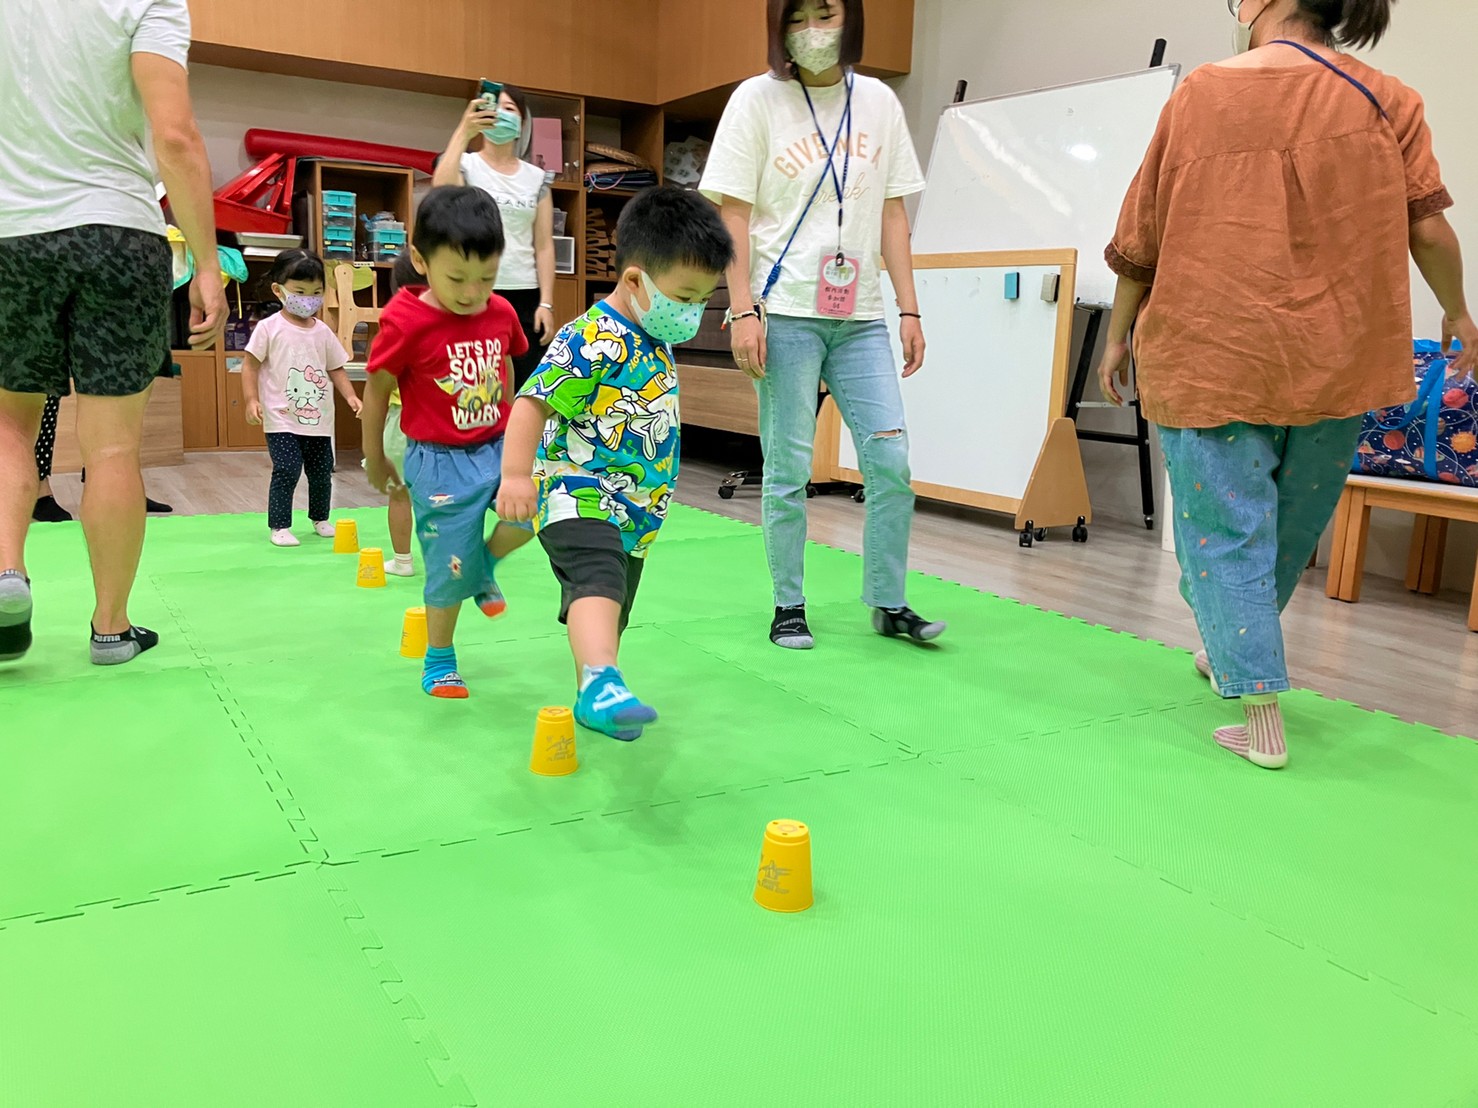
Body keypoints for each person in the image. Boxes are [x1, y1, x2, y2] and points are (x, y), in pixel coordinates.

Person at [1097, 0, 1477, 770]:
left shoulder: (1202, 92)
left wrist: (1117, 334)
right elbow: (1428, 224)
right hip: (1337, 361)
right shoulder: (1388, 98)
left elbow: (1143, 234)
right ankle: (1227, 651)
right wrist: (1459, 311)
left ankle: (1260, 713)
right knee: (1288, 528)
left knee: (1224, 531)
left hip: (1215, 351)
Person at [700, 0, 946, 651]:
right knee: (787, 466)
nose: (815, 29)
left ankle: (889, 602)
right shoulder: (757, 100)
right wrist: (744, 307)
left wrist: (910, 306)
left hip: (861, 317)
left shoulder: (881, 106)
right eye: (801, 16)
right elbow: (733, 214)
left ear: (850, 19)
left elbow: (893, 214)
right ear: (782, 27)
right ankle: (788, 604)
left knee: (890, 460)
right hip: (784, 314)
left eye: (827, 12)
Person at [0, 0, 225, 666]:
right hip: (118, 232)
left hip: (12, 234)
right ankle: (110, 628)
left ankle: (8, 575)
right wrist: (208, 265)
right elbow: (176, 137)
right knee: (113, 450)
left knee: (10, 426)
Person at [499, 187, 733, 740]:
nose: (692, 312)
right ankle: (605, 680)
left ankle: (594, 695)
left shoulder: (654, 331)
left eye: (702, 299)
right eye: (684, 296)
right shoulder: (592, 336)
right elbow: (532, 402)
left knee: (610, 603)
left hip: (638, 509)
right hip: (576, 489)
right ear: (633, 280)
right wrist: (514, 475)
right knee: (598, 578)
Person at [361, 186, 534, 699]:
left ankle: (484, 566)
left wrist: (517, 433)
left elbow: (507, 365)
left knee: (539, 511)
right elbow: (377, 390)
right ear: (420, 260)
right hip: (437, 464)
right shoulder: (405, 319)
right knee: (448, 566)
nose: (472, 291)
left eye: (487, 278)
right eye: (457, 278)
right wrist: (374, 456)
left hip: (497, 447)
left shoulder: (500, 312)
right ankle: (439, 659)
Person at [433, 83, 558, 390]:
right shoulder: (465, 164)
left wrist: (547, 303)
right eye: (493, 106)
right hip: (475, 288)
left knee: (525, 388)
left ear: (522, 123)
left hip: (525, 295)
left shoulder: (537, 178)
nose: (500, 114)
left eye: (510, 108)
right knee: (475, 386)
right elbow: (442, 192)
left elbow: (543, 245)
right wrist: (464, 130)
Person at [242, 249, 359, 546]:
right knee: (287, 468)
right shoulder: (269, 328)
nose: (308, 299)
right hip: (281, 417)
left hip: (319, 419)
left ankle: (320, 518)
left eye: (316, 292)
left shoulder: (322, 331)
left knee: (321, 472)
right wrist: (251, 399)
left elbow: (336, 368)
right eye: (300, 291)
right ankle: (280, 525)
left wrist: (351, 397)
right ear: (278, 290)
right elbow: (250, 364)